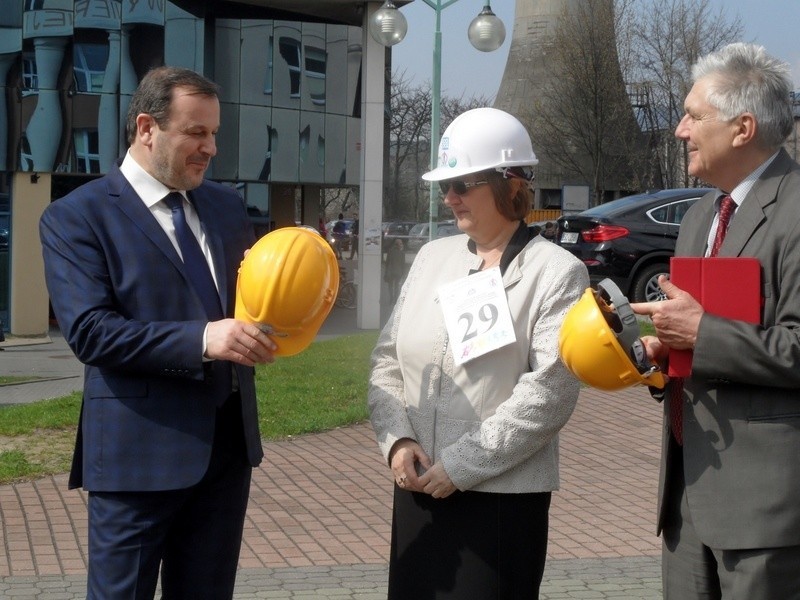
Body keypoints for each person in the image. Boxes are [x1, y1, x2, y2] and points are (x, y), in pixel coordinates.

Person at [39, 66, 278, 599]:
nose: (211, 147)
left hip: (226, 451)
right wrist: (203, 340)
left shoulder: (225, 206)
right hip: (136, 460)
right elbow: (90, 332)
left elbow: (251, 302)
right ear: (147, 127)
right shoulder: (76, 217)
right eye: (196, 133)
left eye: (214, 133)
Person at [368, 107, 589, 598]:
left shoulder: (557, 272)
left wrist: (464, 466)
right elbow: (386, 361)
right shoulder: (431, 258)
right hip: (418, 487)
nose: (449, 197)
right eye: (444, 186)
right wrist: (398, 441)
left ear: (509, 184)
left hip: (498, 501)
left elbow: (550, 391)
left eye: (463, 184)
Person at [630, 43, 800, 600]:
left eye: (694, 116)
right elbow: (705, 339)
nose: (679, 130)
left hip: (764, 513)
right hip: (686, 497)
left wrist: (703, 335)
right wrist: (667, 353)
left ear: (743, 127)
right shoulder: (702, 214)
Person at [383, 237, 405, 303]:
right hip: (398, 272)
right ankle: (395, 299)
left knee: (390, 285)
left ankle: (391, 298)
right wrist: (403, 273)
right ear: (397, 244)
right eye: (400, 243)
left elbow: (387, 262)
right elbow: (403, 264)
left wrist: (386, 271)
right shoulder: (402, 253)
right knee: (396, 286)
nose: (402, 244)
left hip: (391, 272)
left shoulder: (390, 251)